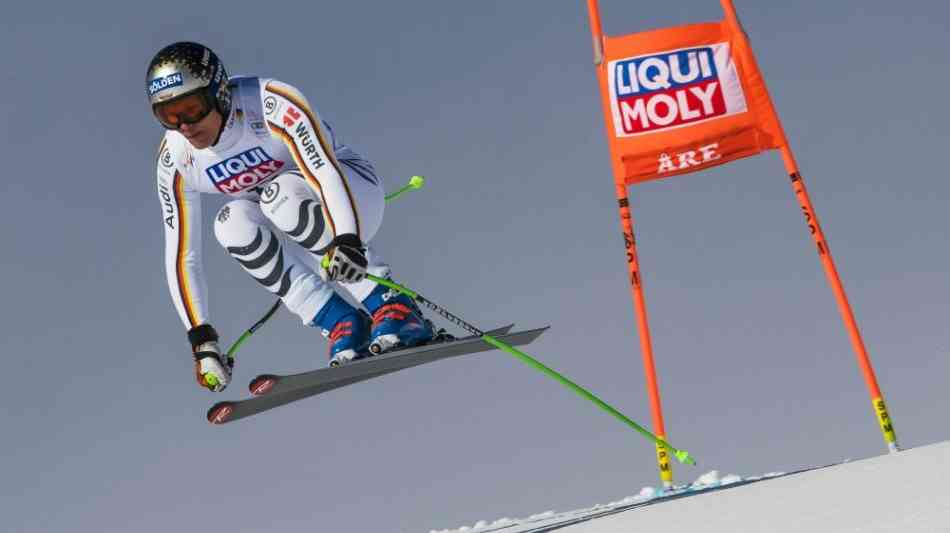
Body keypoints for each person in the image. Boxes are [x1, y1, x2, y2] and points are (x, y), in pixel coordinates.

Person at [148, 42, 434, 392]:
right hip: (298, 229)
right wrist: (202, 339)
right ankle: (339, 321)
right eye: (168, 116)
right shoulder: (175, 158)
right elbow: (182, 254)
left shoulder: (269, 103)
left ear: (218, 92)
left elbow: (325, 172)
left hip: (351, 199)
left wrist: (347, 238)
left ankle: (390, 303)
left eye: (192, 109)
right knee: (230, 223)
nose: (185, 126)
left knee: (278, 195)